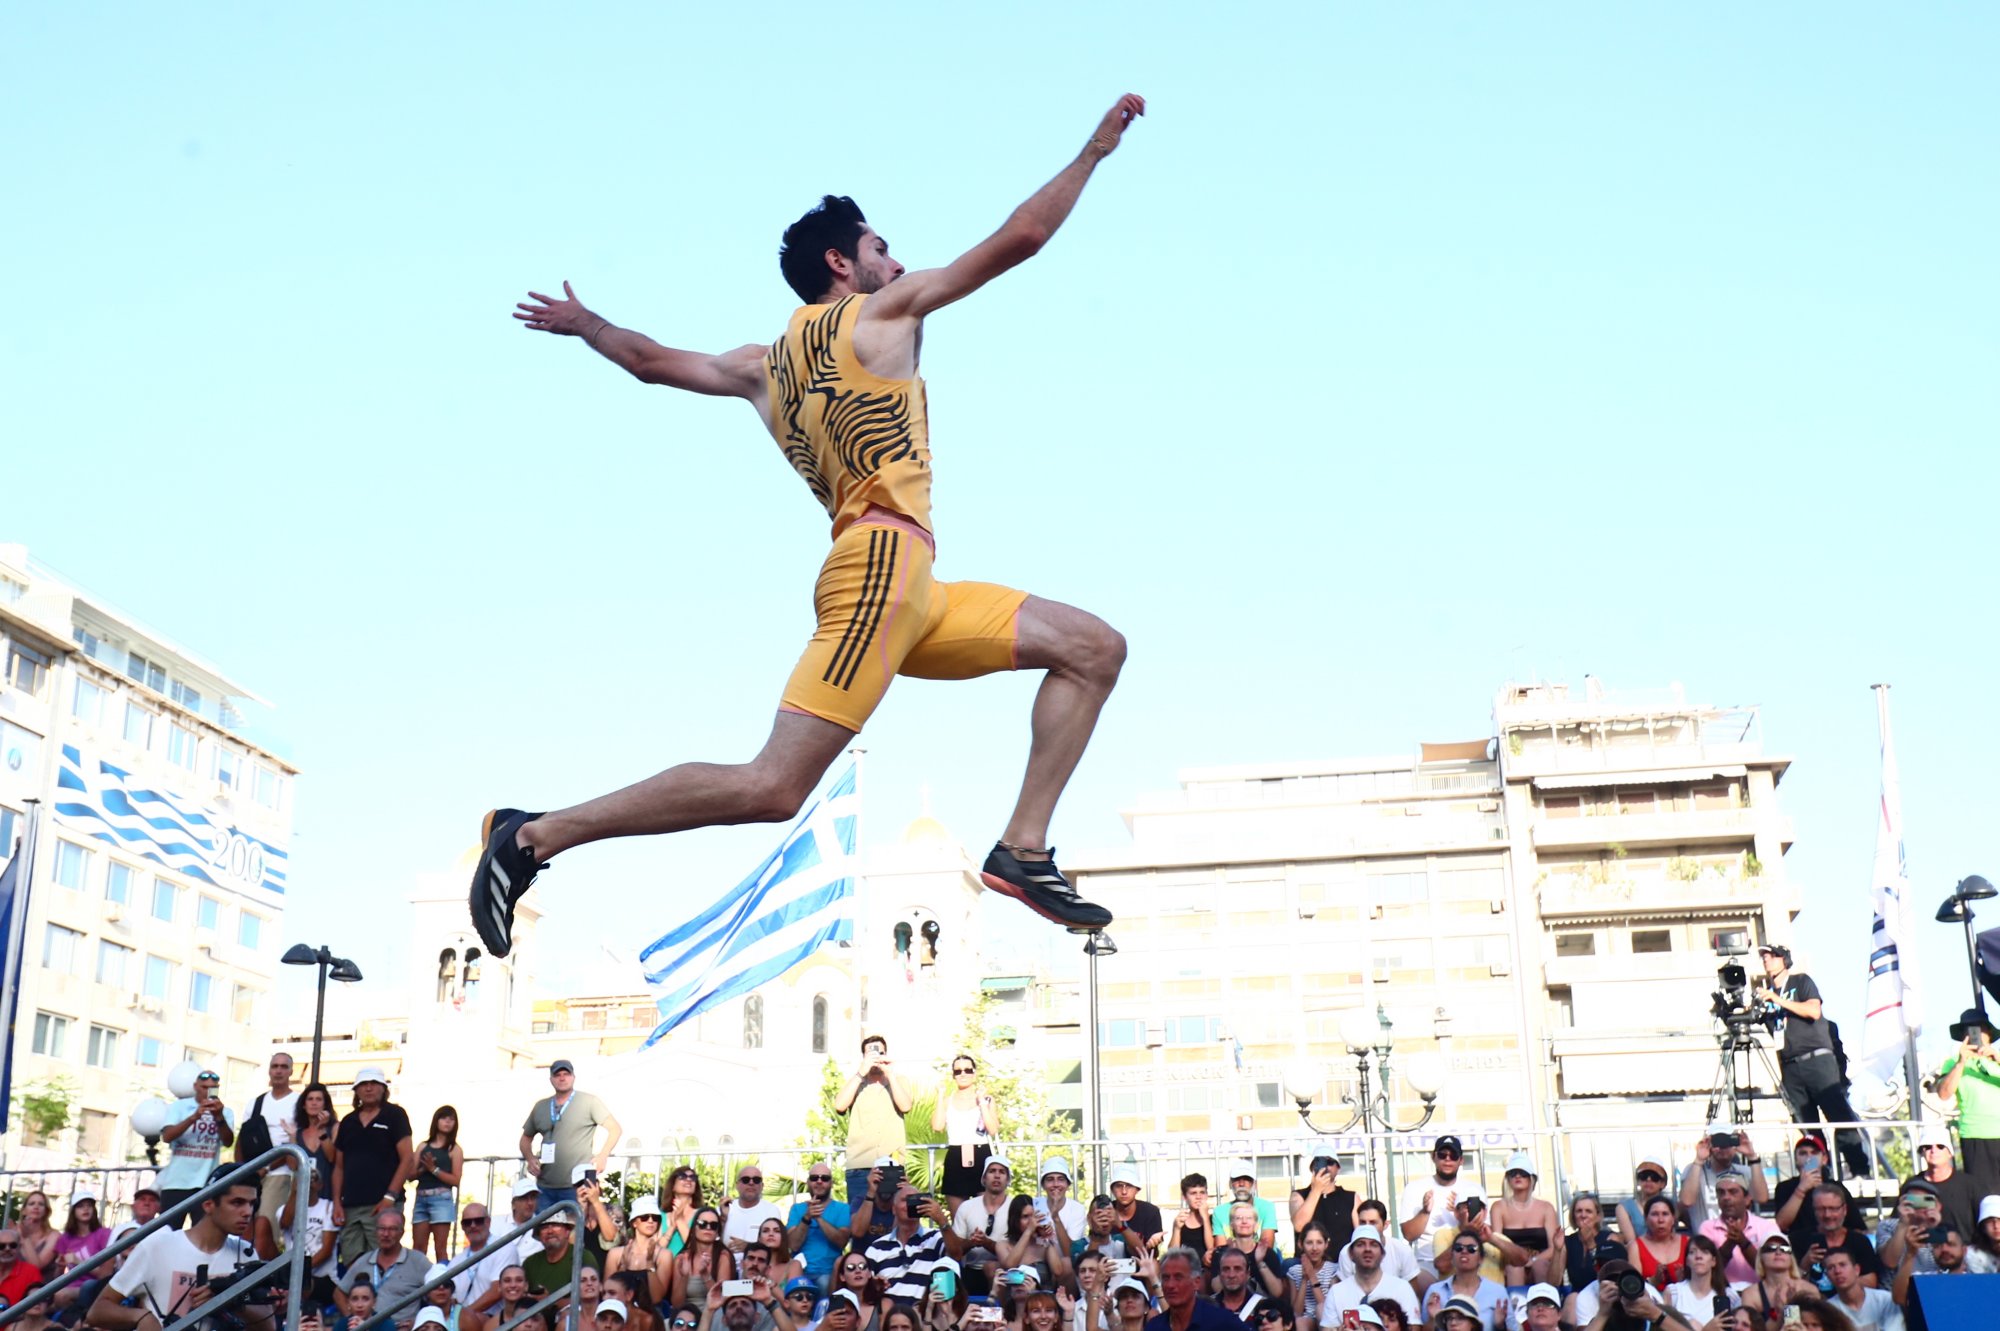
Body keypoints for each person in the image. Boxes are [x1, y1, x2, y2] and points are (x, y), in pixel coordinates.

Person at [473, 93, 1154, 957]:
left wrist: (588, 325)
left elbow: (647, 362)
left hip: (914, 587)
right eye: (881, 248)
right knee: (773, 784)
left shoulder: (759, 367)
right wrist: (1092, 153)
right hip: (878, 571)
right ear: (842, 262)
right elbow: (1020, 237)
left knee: (1093, 648)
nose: (896, 261)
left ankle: (1022, 848)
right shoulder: (886, 313)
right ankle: (535, 835)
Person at [87, 1176, 266, 1331]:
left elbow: (268, 1325)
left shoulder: (246, 1253)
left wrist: (229, 1301)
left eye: (252, 1204)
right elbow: (97, 1312)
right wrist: (141, 1317)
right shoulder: (157, 1246)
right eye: (237, 1203)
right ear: (208, 1204)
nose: (247, 1212)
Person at [1753, 945, 1868, 1178]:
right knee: (1805, 1123)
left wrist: (1778, 1000)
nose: (1766, 960)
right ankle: (1820, 1172)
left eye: (1772, 956)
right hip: (1789, 1064)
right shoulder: (1766, 994)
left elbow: (1814, 1011)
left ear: (1784, 960)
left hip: (1816, 1059)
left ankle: (1859, 1169)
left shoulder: (1800, 981)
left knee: (1838, 1115)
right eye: (1764, 957)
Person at [333, 1068, 417, 1265]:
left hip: (383, 1204)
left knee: (385, 1261)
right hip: (351, 1205)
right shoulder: (348, 1121)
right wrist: (337, 1203)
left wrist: (389, 1197)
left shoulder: (395, 1115)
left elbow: (407, 1158)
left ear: (383, 1088)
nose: (368, 1088)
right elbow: (339, 1167)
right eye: (363, 1084)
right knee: (352, 1262)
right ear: (356, 1090)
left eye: (373, 1083)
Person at [521, 1060, 621, 1213]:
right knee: (544, 1227)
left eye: (566, 1074)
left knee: (575, 1226)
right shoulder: (541, 1106)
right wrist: (530, 1158)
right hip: (544, 1186)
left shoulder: (589, 1101)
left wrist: (603, 1156)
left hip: (576, 1186)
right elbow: (525, 1139)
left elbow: (615, 1129)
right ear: (551, 1079)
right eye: (557, 1075)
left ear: (573, 1077)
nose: (562, 1078)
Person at [837, 1039, 917, 1221]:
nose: (875, 1058)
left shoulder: (898, 1081)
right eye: (870, 1053)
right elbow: (840, 1105)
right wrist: (861, 1073)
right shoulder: (856, 1082)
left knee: (894, 1220)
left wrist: (889, 1074)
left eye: (879, 1053)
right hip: (860, 1166)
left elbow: (905, 1106)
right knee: (859, 1222)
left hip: (892, 1166)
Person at [157, 1070, 238, 1224]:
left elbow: (228, 1142)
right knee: (167, 1231)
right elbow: (167, 1137)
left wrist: (219, 1117)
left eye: (212, 1088)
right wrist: (194, 1117)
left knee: (202, 1231)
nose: (207, 1091)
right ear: (195, 1087)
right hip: (176, 1182)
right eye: (204, 1087)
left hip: (205, 1183)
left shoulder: (225, 1111)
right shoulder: (180, 1106)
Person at [233, 1052, 303, 1231]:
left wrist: (266, 1168)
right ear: (269, 1070)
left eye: (284, 1067)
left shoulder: (298, 1102)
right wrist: (241, 1171)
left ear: (291, 1072)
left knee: (266, 1223)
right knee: (245, 1225)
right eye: (275, 1066)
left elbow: (295, 1143)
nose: (279, 1071)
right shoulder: (255, 1103)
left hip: (279, 1173)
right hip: (251, 1173)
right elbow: (242, 1139)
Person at [1937, 1008, 2000, 1200]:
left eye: (1980, 1029)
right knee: (1984, 1197)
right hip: (1975, 1135)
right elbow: (1944, 1093)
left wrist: (1996, 1058)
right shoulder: (1953, 1064)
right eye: (1970, 1030)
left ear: (1989, 1033)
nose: (1976, 1035)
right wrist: (1961, 1062)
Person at [1396, 1137, 1483, 1276]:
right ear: (1433, 1157)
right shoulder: (1414, 1188)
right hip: (1427, 1262)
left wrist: (1460, 1215)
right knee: (1415, 1279)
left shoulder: (1473, 1189)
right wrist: (1425, 1212)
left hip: (1466, 1258)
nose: (1447, 1160)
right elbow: (1409, 1235)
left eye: (1453, 1156)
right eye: (1442, 1155)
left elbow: (1483, 1231)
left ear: (1461, 1160)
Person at [337, 1208, 434, 1331]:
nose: (386, 1234)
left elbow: (440, 1293)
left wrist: (419, 1322)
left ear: (402, 1232)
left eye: (392, 1229)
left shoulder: (418, 1261)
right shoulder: (364, 1261)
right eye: (382, 1229)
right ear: (376, 1232)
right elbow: (339, 1293)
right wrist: (351, 1318)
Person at [934, 1057, 1001, 1212]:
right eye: (958, 1071)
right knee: (958, 1217)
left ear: (974, 1073)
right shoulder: (947, 1100)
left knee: (986, 1215)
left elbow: (993, 1129)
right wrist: (940, 1096)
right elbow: (937, 1126)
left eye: (968, 1070)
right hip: (956, 1155)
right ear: (953, 1075)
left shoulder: (986, 1099)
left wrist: (982, 1102)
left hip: (981, 1154)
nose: (963, 1074)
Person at [865, 1186, 952, 1305]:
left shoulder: (935, 1238)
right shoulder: (877, 1247)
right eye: (905, 1200)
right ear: (894, 1209)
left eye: (915, 1200)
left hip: (925, 1311)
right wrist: (873, 1286)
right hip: (889, 1313)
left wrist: (941, 1219)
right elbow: (863, 1287)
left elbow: (956, 1254)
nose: (910, 1204)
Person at [1486, 1152, 1559, 1288]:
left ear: (1532, 1178)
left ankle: (1545, 1299)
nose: (1518, 1176)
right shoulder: (1499, 1207)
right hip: (1510, 1262)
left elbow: (1554, 1247)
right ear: (1508, 1178)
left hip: (1541, 1261)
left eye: (1523, 1173)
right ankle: (1516, 1301)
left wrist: (1533, 1260)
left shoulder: (1546, 1208)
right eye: (1513, 1173)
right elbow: (1497, 1243)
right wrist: (1519, 1260)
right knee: (1514, 1267)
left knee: (1540, 1265)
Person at [1320, 1226, 1418, 1326]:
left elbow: (1414, 1327)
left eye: (1374, 1245)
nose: (1367, 1249)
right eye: (1360, 1244)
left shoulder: (1402, 1288)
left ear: (1382, 1254)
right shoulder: (1336, 1292)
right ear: (1351, 1254)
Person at [1789, 1184, 1880, 1292]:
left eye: (1833, 1209)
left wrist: (1841, 1277)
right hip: (1811, 1301)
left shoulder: (1859, 1241)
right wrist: (1805, 1265)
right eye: (1821, 1209)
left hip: (1848, 1302)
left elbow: (1871, 1283)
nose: (1827, 1215)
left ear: (1844, 1210)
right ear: (1814, 1210)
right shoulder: (1797, 1240)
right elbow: (1788, 1286)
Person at [1696, 1171, 1779, 1289]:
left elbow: (1771, 1269)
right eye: (1721, 1192)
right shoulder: (1707, 1228)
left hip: (1761, 1293)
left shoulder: (1767, 1227)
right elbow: (1706, 1270)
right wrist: (1730, 1243)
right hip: (1721, 1293)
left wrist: (1743, 1242)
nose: (1726, 1197)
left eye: (1733, 1192)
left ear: (1747, 1198)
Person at [1679, 1127, 1769, 1231]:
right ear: (1709, 1144)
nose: (1723, 1147)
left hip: (1740, 1237)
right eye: (1718, 1141)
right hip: (1706, 1238)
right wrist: (1699, 1160)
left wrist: (1752, 1157)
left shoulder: (1745, 1171)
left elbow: (1762, 1198)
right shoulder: (1695, 1170)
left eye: (1727, 1141)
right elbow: (1687, 1201)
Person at [1906, 1122, 1979, 1240]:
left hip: (1965, 1248)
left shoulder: (1970, 1185)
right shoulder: (1912, 1186)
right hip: (1923, 1247)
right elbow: (1899, 1222)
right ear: (1922, 1152)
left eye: (1940, 1146)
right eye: (1928, 1147)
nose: (1933, 1150)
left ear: (1950, 1153)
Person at [951, 1157, 1014, 1292]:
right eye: (992, 1171)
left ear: (1008, 1179)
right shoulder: (967, 1207)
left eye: (1002, 1172)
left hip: (1006, 1270)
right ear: (984, 1178)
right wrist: (972, 1242)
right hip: (971, 1271)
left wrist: (987, 1243)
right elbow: (955, 1249)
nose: (997, 1176)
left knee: (992, 1267)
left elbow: (1018, 1249)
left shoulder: (1015, 1207)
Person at [412, 1106, 465, 1263]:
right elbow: (410, 1175)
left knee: (440, 1248)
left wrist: (433, 1169)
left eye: (451, 1119)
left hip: (441, 1199)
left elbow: (455, 1180)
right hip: (421, 1197)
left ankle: (443, 1278)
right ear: (436, 1121)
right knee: (418, 1248)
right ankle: (419, 1277)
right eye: (444, 1118)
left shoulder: (454, 1149)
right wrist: (424, 1168)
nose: (447, 1122)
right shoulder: (423, 1146)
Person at [1418, 1233, 1503, 1330]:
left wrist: (1500, 1326)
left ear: (1481, 1259)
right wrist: (1432, 1319)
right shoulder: (1435, 1291)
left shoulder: (1498, 1292)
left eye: (1471, 1249)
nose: (1464, 1251)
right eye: (1458, 1248)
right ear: (1452, 1257)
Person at [1145, 1248, 1242, 1331]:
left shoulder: (1222, 1322)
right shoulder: (1154, 1326)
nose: (1170, 1285)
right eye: (1166, 1278)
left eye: (1178, 1277)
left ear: (1196, 1282)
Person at [1206, 1205, 1285, 1301]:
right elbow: (1217, 1289)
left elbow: (1277, 1292)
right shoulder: (1220, 1253)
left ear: (1256, 1225)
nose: (1244, 1221)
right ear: (1231, 1225)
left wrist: (1260, 1263)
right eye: (1238, 1218)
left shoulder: (1267, 1253)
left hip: (1261, 1305)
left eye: (1249, 1218)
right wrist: (1230, 1257)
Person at [612, 1197, 678, 1306]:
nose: (650, 1221)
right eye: (644, 1217)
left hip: (651, 1312)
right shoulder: (615, 1254)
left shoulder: (664, 1255)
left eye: (655, 1218)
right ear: (634, 1223)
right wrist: (623, 1266)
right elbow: (610, 1293)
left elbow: (657, 1298)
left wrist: (650, 1264)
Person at [1736, 1236, 1818, 1324]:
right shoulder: (1751, 1294)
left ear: (1791, 1257)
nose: (1778, 1252)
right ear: (1760, 1257)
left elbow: (1812, 1326)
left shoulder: (1808, 1290)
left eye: (1785, 1249)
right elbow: (1751, 1328)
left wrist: (1789, 1308)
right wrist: (1780, 1312)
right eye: (1770, 1248)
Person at [1660, 1235, 1734, 1328]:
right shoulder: (1674, 1292)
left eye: (1705, 1252)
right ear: (1687, 1261)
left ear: (1713, 1261)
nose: (1698, 1256)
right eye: (1692, 1252)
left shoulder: (1728, 1295)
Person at [1819, 1250, 1899, 1331]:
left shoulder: (1885, 1300)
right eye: (1831, 1268)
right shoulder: (1828, 1310)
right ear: (1827, 1276)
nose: (1837, 1271)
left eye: (1842, 1265)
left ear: (1856, 1270)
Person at [1288, 1159, 1354, 1257]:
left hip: (1342, 1260)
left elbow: (1361, 1233)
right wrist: (1316, 1190)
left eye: (1330, 1162)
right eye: (1320, 1162)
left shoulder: (1351, 1197)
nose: (1325, 1167)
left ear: (1338, 1168)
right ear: (1312, 1168)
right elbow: (1299, 1226)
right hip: (1307, 1260)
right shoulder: (1298, 1195)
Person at [672, 1208, 735, 1310]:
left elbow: (723, 1301)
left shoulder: (723, 1256)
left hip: (714, 1314)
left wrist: (706, 1276)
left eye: (713, 1225)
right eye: (702, 1224)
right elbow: (676, 1304)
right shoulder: (681, 1258)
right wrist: (684, 1277)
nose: (708, 1228)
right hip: (686, 1314)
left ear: (718, 1232)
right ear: (694, 1228)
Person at [1624, 1197, 1688, 1292]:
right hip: (1650, 1299)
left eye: (1665, 1214)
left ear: (1673, 1219)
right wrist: (1652, 1281)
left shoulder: (1688, 1242)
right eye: (1654, 1214)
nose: (1660, 1220)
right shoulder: (1635, 1246)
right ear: (1646, 1219)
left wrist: (1684, 1281)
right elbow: (1634, 1287)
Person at [1209, 1168, 1276, 1250]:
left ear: (1254, 1184)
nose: (1241, 1184)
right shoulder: (1219, 1212)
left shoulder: (1267, 1207)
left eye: (1246, 1179)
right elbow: (1222, 1251)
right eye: (1237, 1179)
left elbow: (1266, 1248)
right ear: (1230, 1184)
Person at [297, 1082, 341, 1200]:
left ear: (325, 1105)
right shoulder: (298, 1132)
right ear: (304, 1105)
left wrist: (321, 1129)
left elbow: (332, 1157)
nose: (314, 1103)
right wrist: (291, 1137)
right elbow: (293, 1165)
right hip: (303, 1193)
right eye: (310, 1099)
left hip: (327, 1192)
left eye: (319, 1099)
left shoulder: (335, 1127)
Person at [1108, 1167, 1165, 1256]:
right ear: (1112, 1189)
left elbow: (1151, 1254)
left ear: (1137, 1189)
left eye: (1129, 1186)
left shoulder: (1150, 1212)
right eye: (1119, 1186)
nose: (1124, 1191)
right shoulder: (1106, 1211)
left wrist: (1152, 1244)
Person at [1284, 1223, 1334, 1325]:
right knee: (1299, 1322)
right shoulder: (1294, 1271)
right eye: (1309, 1243)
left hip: (1327, 1319)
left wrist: (1312, 1276)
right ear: (1300, 1244)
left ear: (1326, 1244)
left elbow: (1327, 1309)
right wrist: (1304, 1279)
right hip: (1305, 1321)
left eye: (1319, 1242)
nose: (1314, 1248)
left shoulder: (1333, 1270)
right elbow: (1296, 1313)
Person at [1562, 1194, 1612, 1292]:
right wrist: (1557, 1250)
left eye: (1588, 1211)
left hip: (1603, 1292)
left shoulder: (1610, 1238)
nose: (1583, 1215)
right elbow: (1553, 1281)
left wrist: (1591, 1244)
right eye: (1579, 1211)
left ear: (1598, 1216)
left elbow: (1607, 1276)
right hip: (1576, 1294)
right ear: (1573, 1216)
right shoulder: (1567, 1241)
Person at [1615, 1162, 1671, 1244]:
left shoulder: (1672, 1205)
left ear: (1663, 1183)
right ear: (1638, 1181)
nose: (1648, 1179)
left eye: (1654, 1177)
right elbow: (1632, 1242)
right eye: (1644, 1176)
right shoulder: (1624, 1207)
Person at [53, 1189, 110, 1272]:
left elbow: (105, 1273)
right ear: (73, 1211)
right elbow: (58, 1276)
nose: (86, 1209)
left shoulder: (104, 1234)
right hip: (72, 1281)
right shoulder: (64, 1239)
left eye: (89, 1205)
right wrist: (60, 1266)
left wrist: (78, 1262)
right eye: (80, 1206)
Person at [1039, 1160, 1089, 1246]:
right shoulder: (1036, 1206)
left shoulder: (1077, 1209)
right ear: (1043, 1185)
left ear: (1068, 1185)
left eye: (1061, 1179)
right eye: (1050, 1179)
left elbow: (1072, 1249)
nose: (1056, 1184)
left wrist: (1056, 1217)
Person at [1170, 1178, 1217, 1260]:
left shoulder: (1214, 1219)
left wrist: (1205, 1218)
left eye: (1202, 1192)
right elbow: (1172, 1255)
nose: (1198, 1197)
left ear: (1207, 1195)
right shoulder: (1181, 1221)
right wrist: (1176, 1229)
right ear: (1184, 1197)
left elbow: (1211, 1249)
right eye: (1193, 1193)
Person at [665, 1167, 707, 1255]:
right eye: (682, 1176)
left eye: (693, 1177)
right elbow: (654, 1250)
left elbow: (698, 1249)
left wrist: (679, 1220)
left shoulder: (703, 1215)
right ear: (672, 1186)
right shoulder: (659, 1216)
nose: (688, 1179)